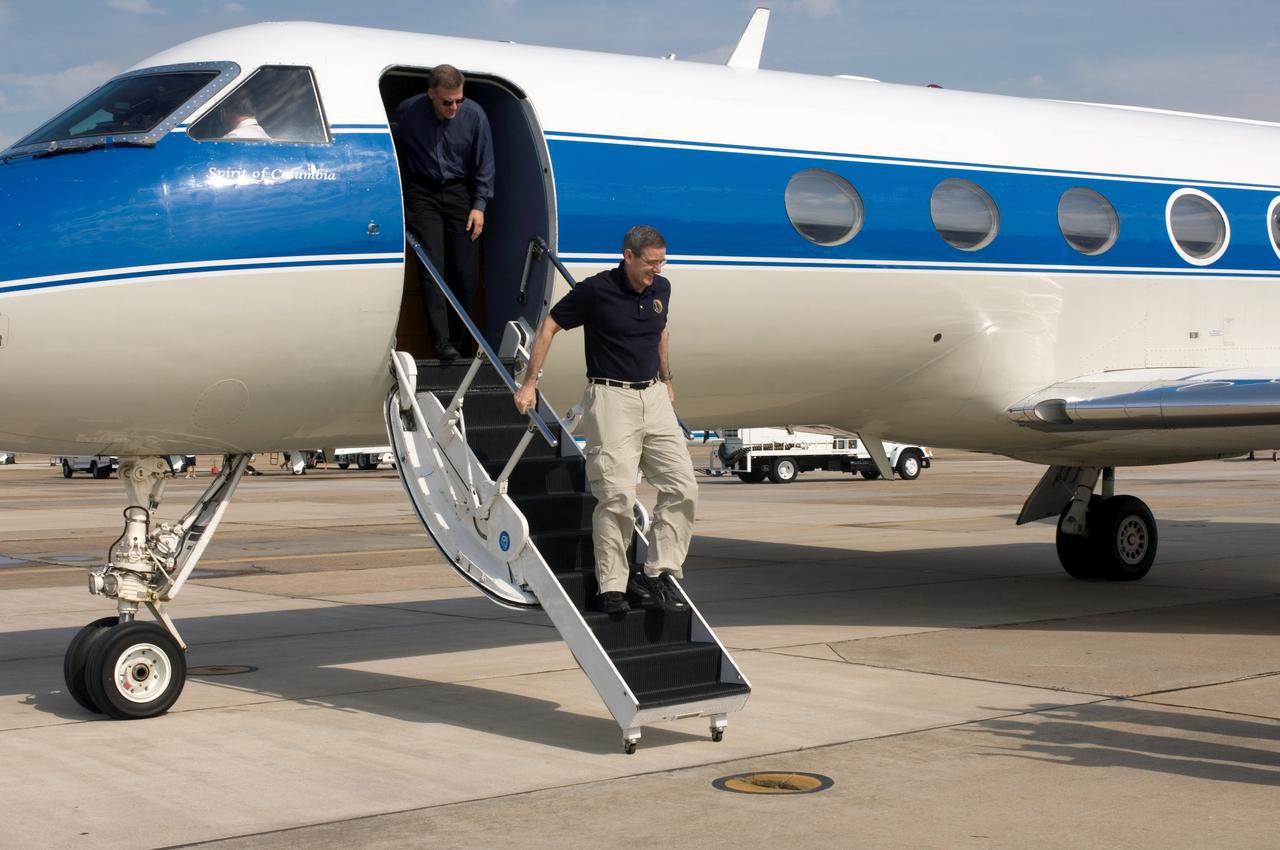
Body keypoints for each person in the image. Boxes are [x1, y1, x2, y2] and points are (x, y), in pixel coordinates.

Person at [513, 226, 696, 615]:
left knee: (684, 487)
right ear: (627, 256)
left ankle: (658, 572)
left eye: (662, 261)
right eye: (651, 262)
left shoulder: (660, 289)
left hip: (654, 396)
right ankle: (612, 586)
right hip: (611, 398)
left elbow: (660, 332)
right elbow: (549, 326)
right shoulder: (596, 291)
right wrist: (531, 383)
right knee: (617, 497)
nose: (657, 270)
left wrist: (668, 380)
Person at [396, 64, 495, 361]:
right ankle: (441, 343)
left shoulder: (474, 115)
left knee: (465, 272)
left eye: (458, 101)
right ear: (431, 95)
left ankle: (460, 341)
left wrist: (480, 205)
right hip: (422, 190)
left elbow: (485, 163)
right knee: (431, 266)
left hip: (459, 192)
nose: (454, 107)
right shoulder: (407, 112)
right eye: (447, 102)